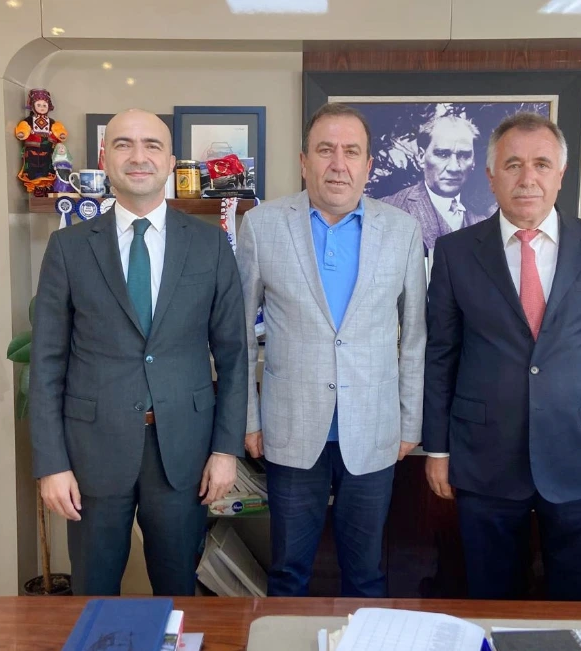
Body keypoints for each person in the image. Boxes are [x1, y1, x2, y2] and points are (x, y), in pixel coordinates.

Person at [423, 111, 581, 602]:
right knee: (491, 600)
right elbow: (441, 357)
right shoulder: (455, 252)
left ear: (560, 174)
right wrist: (437, 450)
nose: (527, 178)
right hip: (484, 458)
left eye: (541, 164)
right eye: (513, 164)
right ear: (491, 176)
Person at [29, 109, 247, 596]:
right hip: (92, 452)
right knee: (94, 593)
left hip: (183, 453)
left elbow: (234, 355)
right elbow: (46, 364)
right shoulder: (67, 248)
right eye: (123, 144)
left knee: (178, 594)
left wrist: (225, 450)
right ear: (105, 158)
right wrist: (51, 464)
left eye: (152, 145)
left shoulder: (210, 246)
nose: (138, 156)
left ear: (170, 161)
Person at [236, 102, 427, 597]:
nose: (338, 164)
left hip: (375, 429)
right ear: (304, 161)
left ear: (368, 164)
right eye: (325, 150)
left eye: (351, 152)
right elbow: (237, 336)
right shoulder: (262, 226)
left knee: (366, 575)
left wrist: (410, 423)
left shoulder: (403, 230)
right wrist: (249, 420)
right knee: (288, 573)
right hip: (290, 427)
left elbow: (415, 336)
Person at [380, 115, 486, 251]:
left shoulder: (486, 215)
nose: (454, 168)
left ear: (473, 161)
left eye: (464, 155)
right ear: (421, 157)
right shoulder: (387, 210)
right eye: (442, 154)